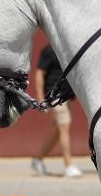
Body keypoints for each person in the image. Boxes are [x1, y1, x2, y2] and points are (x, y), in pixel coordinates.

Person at [29, 44, 81, 178]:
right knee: (64, 125)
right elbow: (40, 73)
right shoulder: (48, 50)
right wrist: (40, 98)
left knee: (57, 131)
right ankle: (68, 165)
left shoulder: (68, 48)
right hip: (54, 95)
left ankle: (38, 160)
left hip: (66, 96)